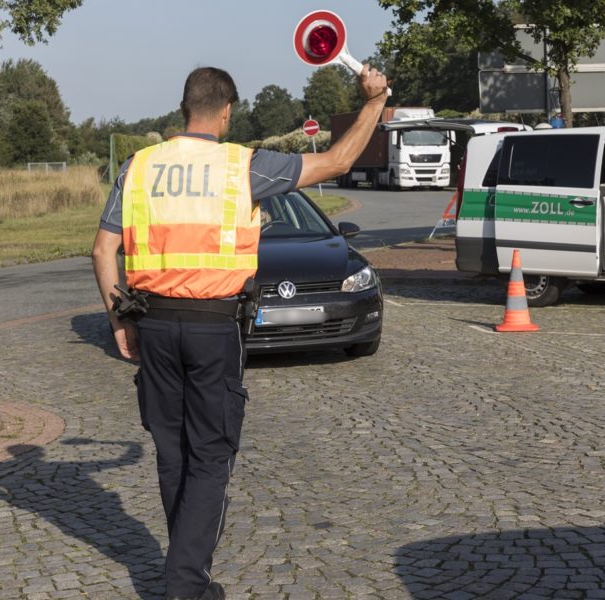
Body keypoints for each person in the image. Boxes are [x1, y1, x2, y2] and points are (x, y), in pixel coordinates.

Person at [91, 65, 388, 600]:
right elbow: (341, 160)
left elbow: (102, 249)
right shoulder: (243, 166)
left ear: (185, 108)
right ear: (226, 112)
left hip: (152, 323)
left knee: (171, 448)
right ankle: (185, 584)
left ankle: (185, 568)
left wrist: (118, 320)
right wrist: (374, 100)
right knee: (210, 453)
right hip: (212, 326)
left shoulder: (139, 166)